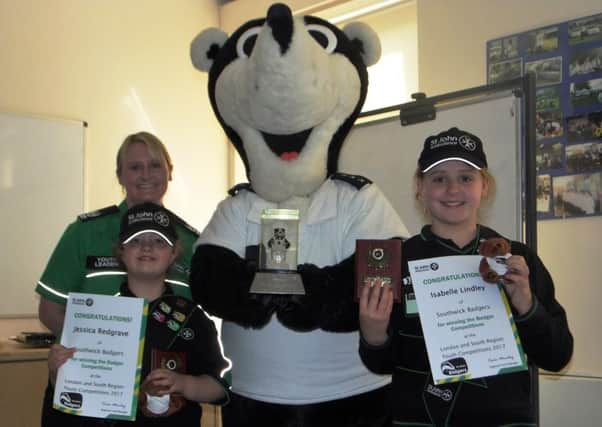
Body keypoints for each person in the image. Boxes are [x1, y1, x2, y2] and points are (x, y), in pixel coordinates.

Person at [358, 127, 573, 426]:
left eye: (466, 178)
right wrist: (373, 333)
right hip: (419, 420)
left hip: (505, 420)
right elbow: (379, 364)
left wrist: (526, 304)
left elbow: (557, 356)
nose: (453, 189)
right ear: (420, 187)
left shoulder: (517, 261)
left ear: (484, 186)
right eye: (439, 179)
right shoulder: (394, 262)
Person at [43, 202, 229, 426]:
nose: (147, 247)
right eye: (136, 240)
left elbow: (217, 387)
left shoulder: (192, 318)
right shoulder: (93, 319)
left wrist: (182, 384)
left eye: (159, 241)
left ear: (173, 254)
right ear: (121, 251)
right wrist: (57, 371)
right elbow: (70, 395)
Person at [35, 131, 199, 336]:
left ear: (170, 172)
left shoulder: (191, 241)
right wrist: (95, 350)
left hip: (166, 366)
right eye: (135, 167)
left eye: (155, 165)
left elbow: (196, 323)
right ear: (120, 176)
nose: (146, 175)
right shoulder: (85, 232)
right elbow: (51, 311)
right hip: (100, 364)